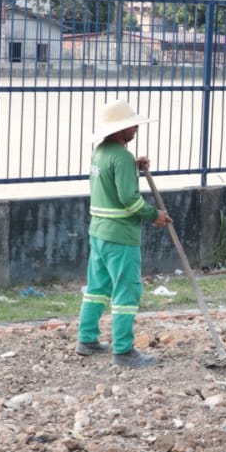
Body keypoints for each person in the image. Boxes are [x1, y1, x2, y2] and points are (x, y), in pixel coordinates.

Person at [76, 100, 170, 368]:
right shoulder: (122, 157)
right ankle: (124, 351)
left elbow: (111, 179)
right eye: (132, 124)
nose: (136, 128)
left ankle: (87, 339)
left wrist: (134, 167)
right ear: (121, 128)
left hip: (99, 232)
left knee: (96, 288)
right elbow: (130, 200)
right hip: (121, 236)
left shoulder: (101, 152)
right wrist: (156, 216)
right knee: (126, 291)